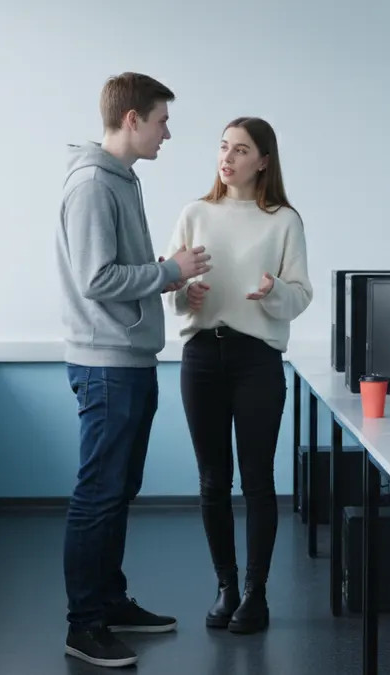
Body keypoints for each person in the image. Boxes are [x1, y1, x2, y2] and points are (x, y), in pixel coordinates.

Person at [56, 71, 212, 668]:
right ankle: (84, 624)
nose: (167, 133)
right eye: (161, 120)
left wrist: (168, 275)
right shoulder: (95, 184)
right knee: (98, 494)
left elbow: (119, 268)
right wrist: (170, 271)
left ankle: (110, 602)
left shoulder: (122, 179)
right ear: (132, 120)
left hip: (127, 360)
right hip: (107, 365)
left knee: (118, 489)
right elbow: (96, 280)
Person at [164, 116, 313, 634]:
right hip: (202, 355)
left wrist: (273, 289)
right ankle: (225, 587)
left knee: (257, 480)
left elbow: (300, 296)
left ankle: (256, 593)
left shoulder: (283, 221)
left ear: (263, 161)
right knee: (212, 479)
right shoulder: (195, 213)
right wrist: (187, 294)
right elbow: (171, 290)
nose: (227, 158)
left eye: (241, 150)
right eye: (223, 148)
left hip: (256, 359)